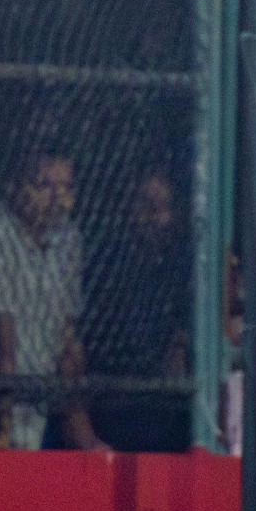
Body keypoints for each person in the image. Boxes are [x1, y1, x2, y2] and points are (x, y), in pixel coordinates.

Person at [0, 149, 108, 451]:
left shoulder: (68, 238)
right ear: (15, 187)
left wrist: (85, 436)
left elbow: (67, 342)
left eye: (66, 188)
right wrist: (2, 432)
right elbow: (2, 343)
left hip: (34, 422)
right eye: (44, 185)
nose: (56, 198)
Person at [83, 169, 190, 451]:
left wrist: (178, 346)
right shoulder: (105, 265)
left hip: (166, 408)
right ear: (129, 211)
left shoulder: (179, 265)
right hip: (114, 404)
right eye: (147, 208)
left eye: (163, 209)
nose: (157, 220)